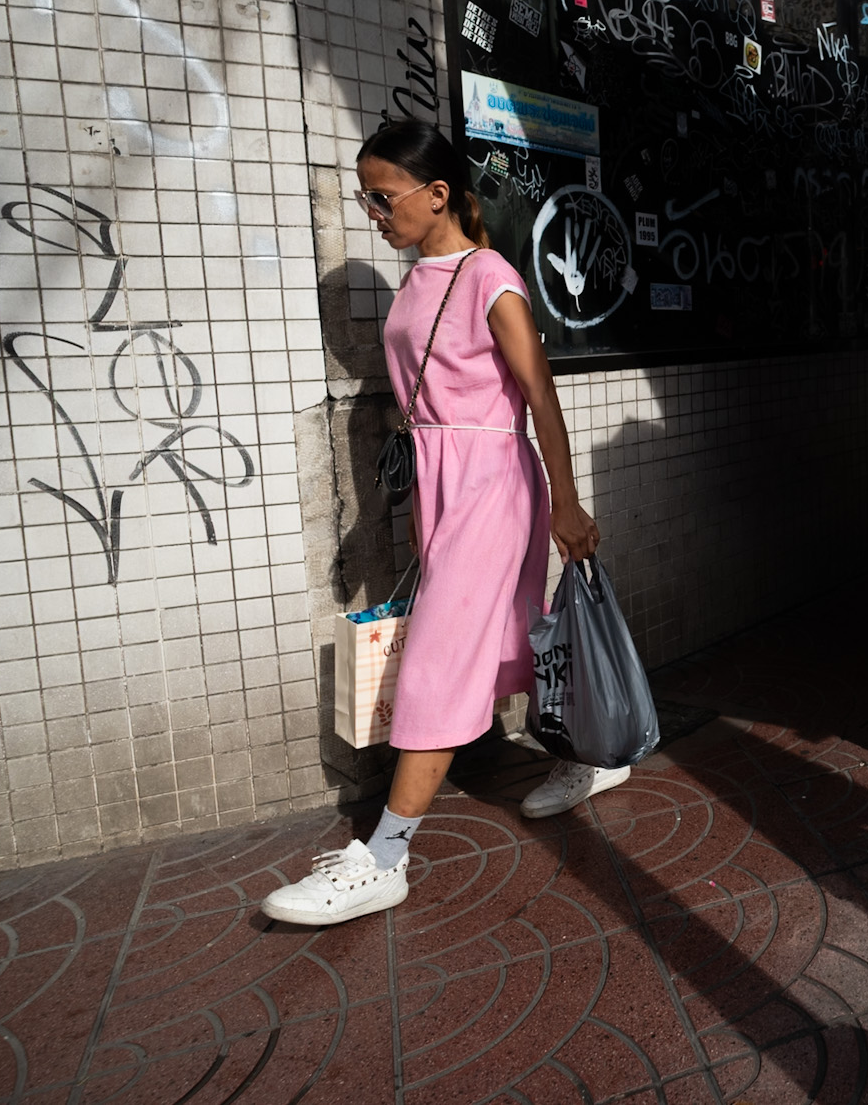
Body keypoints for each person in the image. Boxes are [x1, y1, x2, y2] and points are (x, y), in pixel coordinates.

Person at [261, 123, 630, 926]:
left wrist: (566, 501)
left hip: (491, 482)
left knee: (437, 655)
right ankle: (592, 756)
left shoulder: (489, 275)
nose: (373, 212)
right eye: (365, 198)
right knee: (505, 636)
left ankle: (384, 857)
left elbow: (540, 394)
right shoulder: (418, 279)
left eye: (382, 197)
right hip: (442, 484)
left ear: (436, 194)